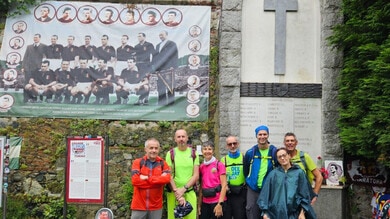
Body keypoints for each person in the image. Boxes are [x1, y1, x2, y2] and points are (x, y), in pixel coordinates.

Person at [257, 147, 316, 219]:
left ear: (289, 156)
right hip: (275, 214)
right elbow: (265, 195)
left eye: (284, 155)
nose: (282, 158)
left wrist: (302, 212)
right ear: (277, 160)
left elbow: (305, 193)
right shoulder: (273, 174)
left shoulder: (299, 173)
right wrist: (265, 213)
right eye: (279, 157)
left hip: (294, 214)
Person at [130, 138, 171, 219]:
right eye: (151, 148)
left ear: (159, 149)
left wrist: (147, 178)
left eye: (156, 148)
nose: (154, 150)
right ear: (146, 149)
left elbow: (166, 179)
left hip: (156, 207)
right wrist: (158, 181)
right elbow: (135, 181)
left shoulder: (163, 164)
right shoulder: (137, 162)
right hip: (139, 206)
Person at [243, 125, 278, 219]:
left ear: (268, 135)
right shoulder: (251, 152)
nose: (262, 136)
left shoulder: (274, 152)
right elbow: (245, 170)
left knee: (268, 214)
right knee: (251, 213)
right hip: (253, 189)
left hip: (269, 189)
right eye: (260, 134)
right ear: (256, 136)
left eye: (264, 134)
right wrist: (249, 181)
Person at [166, 129, 199, 219]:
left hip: (189, 193)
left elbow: (196, 175)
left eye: (183, 136)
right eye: (179, 137)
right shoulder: (170, 154)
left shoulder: (193, 153)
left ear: (187, 138)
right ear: (175, 139)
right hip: (174, 194)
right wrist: (177, 192)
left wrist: (184, 189)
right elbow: (169, 175)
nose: (181, 139)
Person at [284, 132, 322, 204]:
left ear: (296, 143)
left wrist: (315, 194)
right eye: (287, 141)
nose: (290, 143)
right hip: (286, 196)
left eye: (292, 141)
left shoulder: (304, 157)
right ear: (284, 143)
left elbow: (319, 176)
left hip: (302, 195)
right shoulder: (282, 158)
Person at [199, 141, 228, 219]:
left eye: (209, 149)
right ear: (202, 151)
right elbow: (201, 186)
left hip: (217, 201)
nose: (207, 151)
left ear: (213, 151)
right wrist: (199, 205)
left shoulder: (219, 165)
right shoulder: (201, 166)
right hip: (205, 202)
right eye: (205, 149)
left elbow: (224, 185)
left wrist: (220, 204)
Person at [221, 135, 247, 219]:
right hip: (228, 193)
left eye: (234, 143)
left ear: (238, 144)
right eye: (230, 144)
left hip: (240, 193)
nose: (232, 146)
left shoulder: (244, 157)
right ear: (226, 146)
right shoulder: (223, 160)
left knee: (240, 216)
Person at [152, 30, 178, 105]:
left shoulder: (172, 44)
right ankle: (161, 102)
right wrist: (155, 68)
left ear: (166, 35)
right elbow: (155, 58)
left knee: (170, 85)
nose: (161, 36)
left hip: (169, 68)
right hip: (160, 68)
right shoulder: (157, 45)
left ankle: (171, 102)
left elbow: (175, 55)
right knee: (160, 86)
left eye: (162, 35)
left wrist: (173, 66)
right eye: (159, 35)